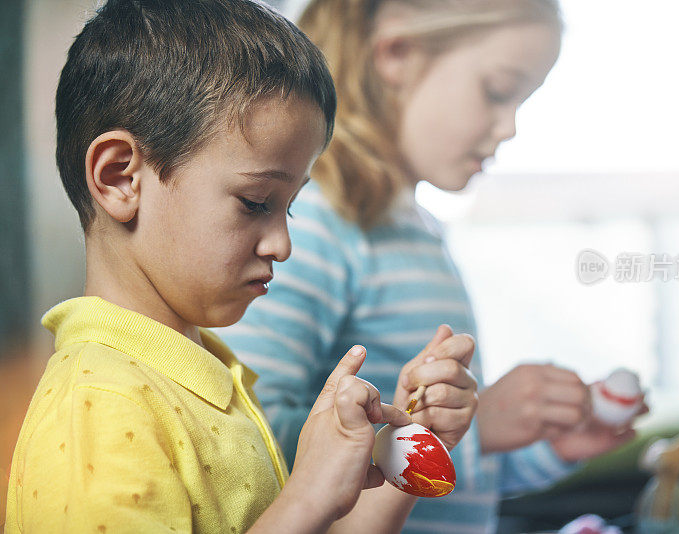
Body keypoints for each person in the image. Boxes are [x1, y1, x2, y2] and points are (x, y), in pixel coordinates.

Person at [4, 1, 478, 532]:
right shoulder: (101, 407)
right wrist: (309, 494)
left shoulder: (202, 373)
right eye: (255, 202)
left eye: (290, 206)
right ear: (120, 178)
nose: (282, 244)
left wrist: (407, 447)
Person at [219, 0, 642, 532]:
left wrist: (545, 449)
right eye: (497, 91)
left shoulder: (413, 233)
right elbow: (250, 439)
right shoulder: (312, 225)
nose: (510, 126)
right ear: (397, 54)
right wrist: (479, 426)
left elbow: (442, 481)